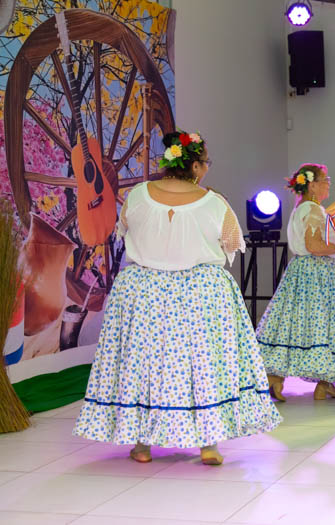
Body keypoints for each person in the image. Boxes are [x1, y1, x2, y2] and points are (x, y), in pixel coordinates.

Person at [73, 131, 282, 466]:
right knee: (204, 365)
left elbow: (124, 228)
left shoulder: (139, 195)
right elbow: (231, 243)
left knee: (143, 365)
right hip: (200, 292)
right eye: (205, 164)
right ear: (196, 165)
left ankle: (142, 444)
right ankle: (208, 443)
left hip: (144, 292)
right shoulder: (215, 202)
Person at [255, 164, 335, 401]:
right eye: (325, 179)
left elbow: (319, 243)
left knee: (294, 324)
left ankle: (281, 379)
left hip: (303, 270)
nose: (329, 182)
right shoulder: (314, 209)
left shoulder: (303, 208)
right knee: (324, 324)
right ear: (312, 185)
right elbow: (314, 246)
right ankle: (321, 381)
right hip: (317, 273)